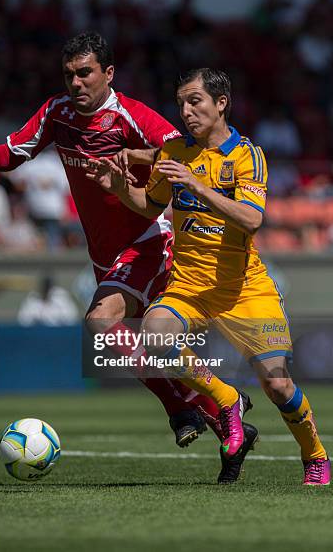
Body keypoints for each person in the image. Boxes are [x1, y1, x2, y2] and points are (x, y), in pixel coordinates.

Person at [0, 32, 253, 482]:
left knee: (101, 324)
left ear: (108, 74)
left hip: (149, 239)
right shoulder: (56, 113)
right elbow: (10, 154)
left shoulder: (130, 116)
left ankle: (186, 407)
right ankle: (224, 415)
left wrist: (132, 156)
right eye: (69, 75)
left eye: (85, 73)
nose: (76, 83)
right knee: (134, 340)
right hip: (106, 253)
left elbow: (187, 153)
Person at [89, 67, 330, 486]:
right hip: (188, 285)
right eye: (181, 102)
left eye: (195, 101)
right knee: (154, 334)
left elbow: (252, 219)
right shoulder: (174, 154)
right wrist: (118, 188)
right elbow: (150, 205)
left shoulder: (247, 155)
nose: (185, 111)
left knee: (277, 385)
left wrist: (199, 187)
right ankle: (227, 399)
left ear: (221, 103)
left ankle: (315, 455)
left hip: (244, 288)